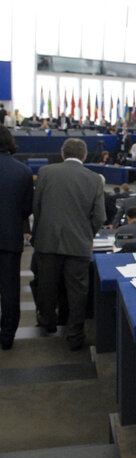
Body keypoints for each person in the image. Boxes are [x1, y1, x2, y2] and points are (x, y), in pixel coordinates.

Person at [33, 138, 106, 350]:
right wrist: (87, 233)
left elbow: (36, 207)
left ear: (63, 154)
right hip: (79, 245)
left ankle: (48, 323)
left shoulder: (46, 172)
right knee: (77, 292)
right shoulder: (94, 179)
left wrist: (38, 233)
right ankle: (75, 335)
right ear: (84, 156)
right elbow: (100, 217)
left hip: (47, 242)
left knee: (47, 286)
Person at [0, 126, 33, 350]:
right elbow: (26, 209)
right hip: (10, 239)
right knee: (10, 289)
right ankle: (7, 337)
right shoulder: (22, 171)